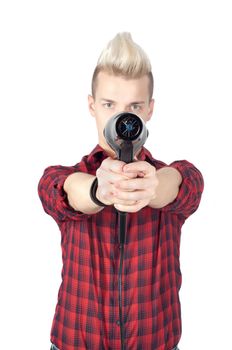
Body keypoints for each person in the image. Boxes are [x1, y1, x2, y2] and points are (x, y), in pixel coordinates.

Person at [38, 32, 204, 350]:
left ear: (149, 110)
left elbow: (186, 184)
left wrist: (152, 187)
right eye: (109, 104)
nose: (120, 117)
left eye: (134, 106)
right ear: (92, 106)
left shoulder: (172, 177)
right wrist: (99, 191)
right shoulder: (64, 177)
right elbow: (62, 191)